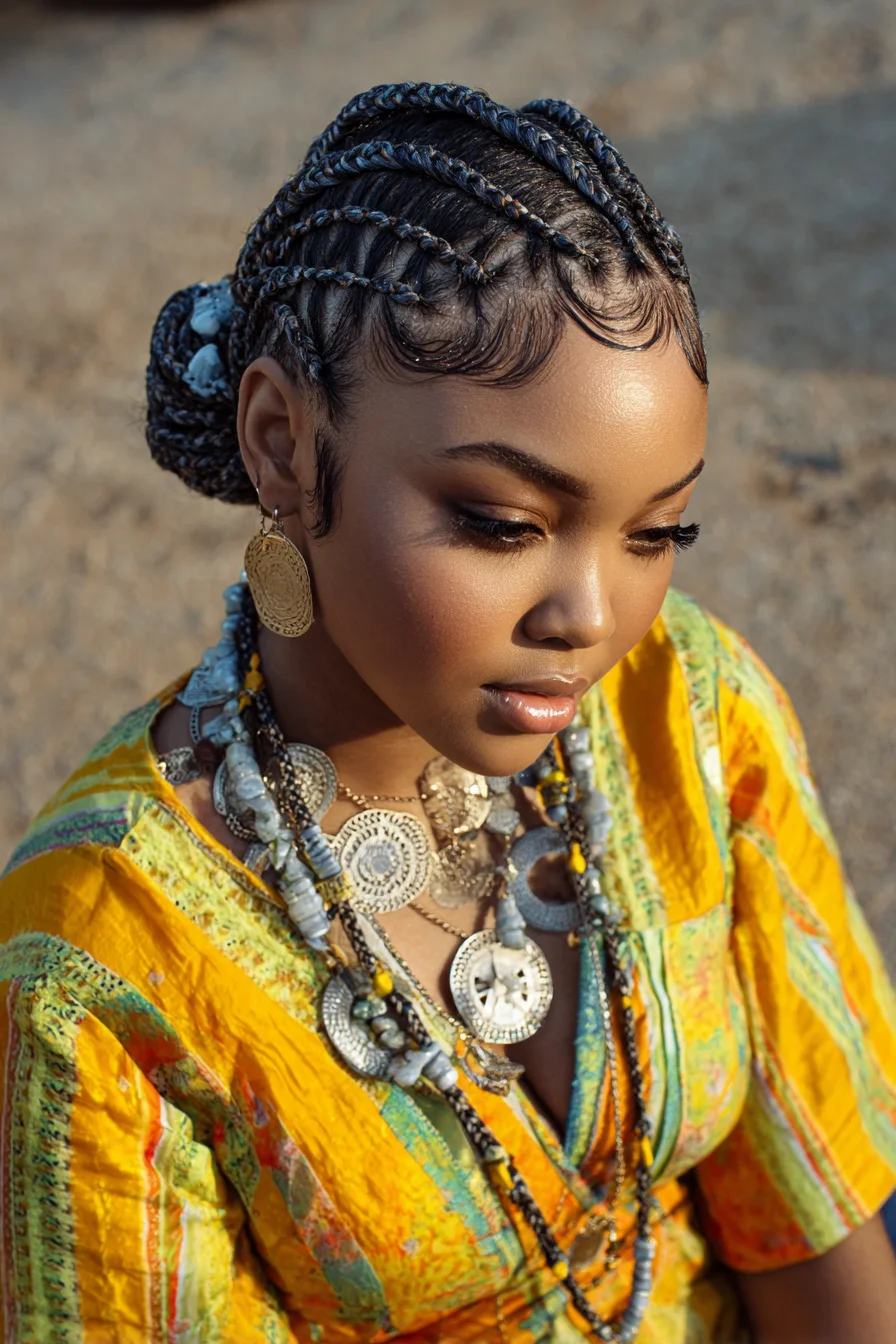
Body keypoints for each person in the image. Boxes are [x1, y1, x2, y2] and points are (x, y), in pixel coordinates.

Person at [1, 82, 894, 1344]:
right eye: (501, 525)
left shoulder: (683, 708)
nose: (590, 613)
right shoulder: (103, 963)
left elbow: (817, 1211)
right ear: (279, 443)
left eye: (657, 531)